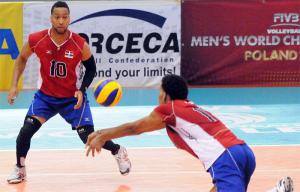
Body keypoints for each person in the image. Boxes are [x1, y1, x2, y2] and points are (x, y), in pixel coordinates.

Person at [85, 74, 293, 192]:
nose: (158, 96)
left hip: (225, 158)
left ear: (167, 95)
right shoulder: (187, 108)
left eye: (160, 91)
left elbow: (135, 128)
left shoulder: (170, 109)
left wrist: (102, 135)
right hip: (242, 153)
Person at [6, 1, 131, 184]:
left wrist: (82, 90)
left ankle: (118, 150)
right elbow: (22, 58)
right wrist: (13, 85)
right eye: (57, 17)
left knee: (87, 138)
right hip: (46, 98)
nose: (61, 21)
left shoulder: (79, 43)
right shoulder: (37, 39)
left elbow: (91, 68)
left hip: (72, 99)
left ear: (69, 19)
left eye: (65, 17)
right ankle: (20, 168)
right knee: (25, 132)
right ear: (51, 18)